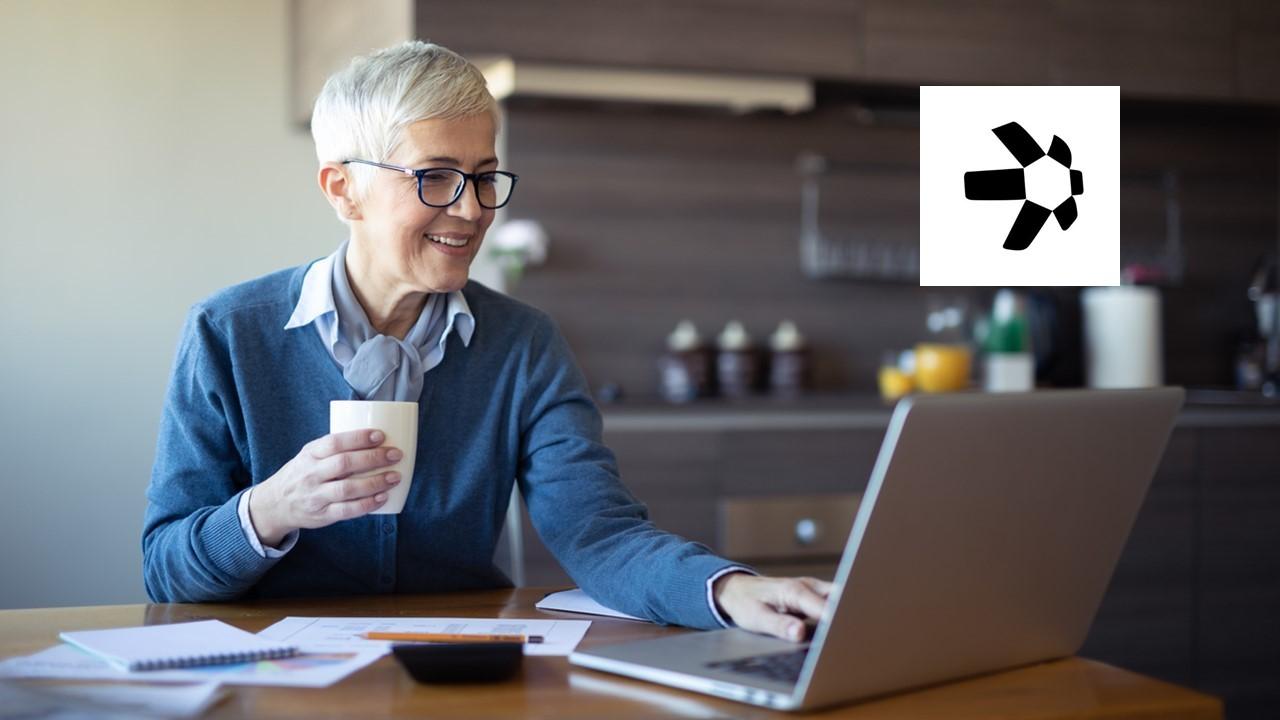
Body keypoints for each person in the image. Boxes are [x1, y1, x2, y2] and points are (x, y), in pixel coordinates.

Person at [142, 41, 829, 641]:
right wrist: (270, 509)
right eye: (435, 177)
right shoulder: (228, 334)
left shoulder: (523, 345)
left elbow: (598, 534)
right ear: (344, 190)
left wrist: (729, 590)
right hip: (278, 683)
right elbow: (167, 571)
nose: (471, 209)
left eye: (482, 175)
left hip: (462, 676)